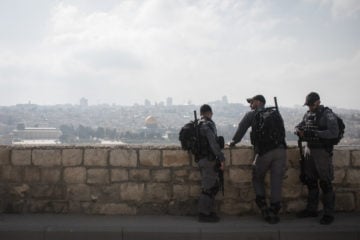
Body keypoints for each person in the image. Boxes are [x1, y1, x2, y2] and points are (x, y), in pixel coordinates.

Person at [229, 95, 287, 224]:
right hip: (280, 151)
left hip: (264, 152)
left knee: (257, 177)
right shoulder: (275, 112)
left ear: (258, 102)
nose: (250, 105)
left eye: (252, 102)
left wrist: (233, 142)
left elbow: (241, 129)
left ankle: (263, 207)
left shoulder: (252, 115)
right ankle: (275, 208)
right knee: (276, 180)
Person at [295, 92, 339, 225]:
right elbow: (300, 125)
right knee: (311, 181)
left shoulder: (327, 114)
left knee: (325, 183)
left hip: (321, 152)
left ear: (318, 102)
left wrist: (314, 133)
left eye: (311, 104)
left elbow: (333, 132)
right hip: (309, 150)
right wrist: (298, 130)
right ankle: (311, 209)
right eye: (308, 105)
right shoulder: (308, 114)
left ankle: (328, 214)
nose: (309, 107)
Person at [197, 104, 225, 222]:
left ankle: (208, 211)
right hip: (209, 160)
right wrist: (221, 158)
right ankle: (203, 214)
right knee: (208, 188)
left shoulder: (198, 124)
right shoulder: (207, 125)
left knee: (212, 186)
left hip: (201, 159)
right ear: (209, 113)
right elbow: (213, 143)